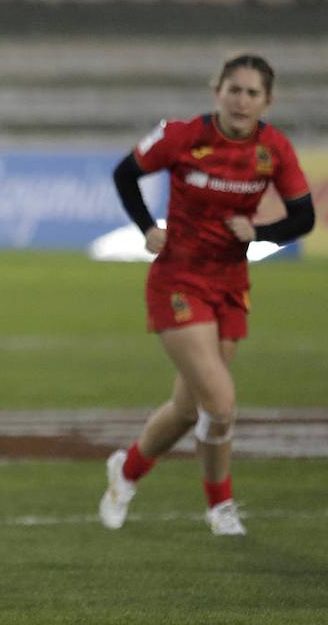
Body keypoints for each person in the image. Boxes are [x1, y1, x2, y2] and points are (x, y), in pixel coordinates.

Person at [100, 53, 315, 536]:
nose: (241, 101)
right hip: (178, 280)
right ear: (217, 91)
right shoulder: (182, 135)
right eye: (233, 90)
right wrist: (145, 228)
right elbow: (124, 173)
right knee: (220, 403)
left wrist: (260, 230)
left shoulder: (273, 149)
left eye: (252, 93)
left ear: (268, 100)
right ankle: (220, 508)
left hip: (231, 286)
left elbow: (304, 217)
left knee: (189, 408)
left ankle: (127, 470)